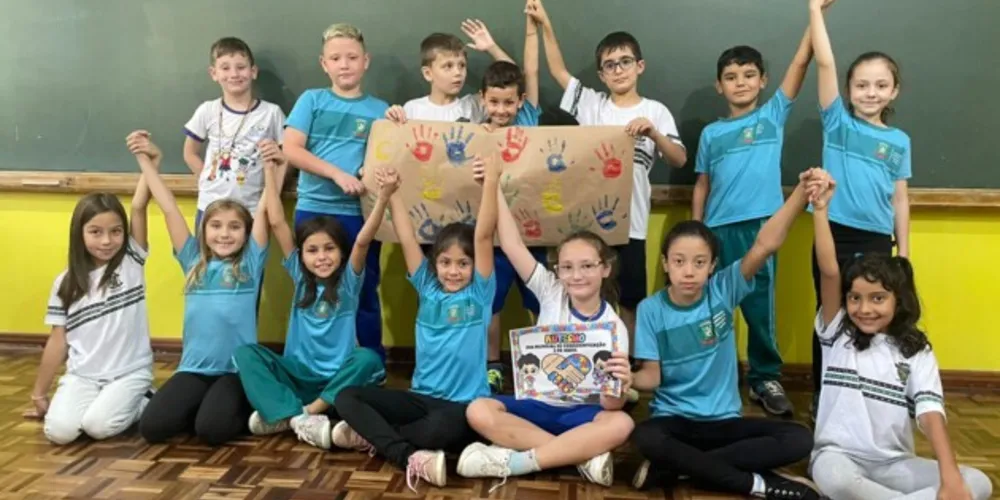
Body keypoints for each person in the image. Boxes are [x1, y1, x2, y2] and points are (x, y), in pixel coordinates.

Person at [629, 169, 831, 499]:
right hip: (674, 424)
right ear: (666, 264)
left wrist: (799, 194)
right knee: (646, 437)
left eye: (699, 262)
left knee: (799, 438)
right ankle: (757, 483)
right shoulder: (651, 309)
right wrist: (627, 380)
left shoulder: (723, 289)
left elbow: (765, 244)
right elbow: (651, 377)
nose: (689, 271)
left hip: (725, 424)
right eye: (679, 261)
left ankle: (678, 469)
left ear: (712, 266)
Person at [455, 154, 634, 488]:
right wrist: (491, 185)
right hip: (537, 405)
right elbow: (509, 243)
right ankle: (578, 457)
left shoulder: (614, 328)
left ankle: (518, 462)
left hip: (581, 414)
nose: (576, 275)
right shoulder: (552, 292)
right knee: (478, 409)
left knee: (622, 423)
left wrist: (620, 387)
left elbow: (611, 403)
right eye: (567, 267)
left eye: (587, 266)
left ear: (604, 268)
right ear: (557, 271)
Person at [809, 176, 992, 500]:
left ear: (898, 299)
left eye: (877, 298)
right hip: (838, 458)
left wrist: (950, 477)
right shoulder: (837, 332)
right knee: (835, 479)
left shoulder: (916, 350)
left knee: (977, 481)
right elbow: (829, 271)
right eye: (855, 298)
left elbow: (930, 413)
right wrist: (820, 210)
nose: (864, 309)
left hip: (895, 465)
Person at [332, 156, 501, 491]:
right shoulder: (427, 286)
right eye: (446, 262)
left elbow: (483, 237)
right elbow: (408, 237)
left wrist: (491, 184)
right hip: (419, 397)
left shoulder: (480, 292)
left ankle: (374, 438)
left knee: (441, 432)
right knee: (346, 397)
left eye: (463, 264)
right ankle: (406, 454)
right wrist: (392, 192)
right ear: (434, 263)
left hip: (460, 406)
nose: (454, 271)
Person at [528, 0, 687, 348]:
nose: (618, 70)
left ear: (639, 66)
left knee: (629, 300)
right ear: (601, 74)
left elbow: (678, 159)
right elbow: (558, 70)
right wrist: (545, 25)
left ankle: (624, 368)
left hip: (633, 224)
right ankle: (585, 358)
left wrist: (654, 134)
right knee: (584, 294)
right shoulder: (592, 104)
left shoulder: (655, 111)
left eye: (625, 62)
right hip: (589, 225)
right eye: (609, 65)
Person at [690, 16, 822, 416]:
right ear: (720, 85)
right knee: (714, 310)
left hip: (761, 230)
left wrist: (814, 15)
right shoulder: (711, 134)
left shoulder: (771, 117)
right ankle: (717, 375)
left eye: (749, 75)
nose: (741, 82)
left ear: (763, 80)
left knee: (760, 308)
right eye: (731, 76)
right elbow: (702, 184)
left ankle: (765, 377)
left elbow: (800, 65)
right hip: (716, 232)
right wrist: (697, 231)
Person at [383, 21, 520, 393]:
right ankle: (434, 367)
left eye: (461, 65)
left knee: (480, 293)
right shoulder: (412, 108)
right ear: (428, 72)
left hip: (470, 221)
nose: (458, 72)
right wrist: (395, 119)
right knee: (434, 292)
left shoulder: (475, 105)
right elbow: (394, 150)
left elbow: (512, 83)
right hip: (428, 225)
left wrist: (491, 47)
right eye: (448, 66)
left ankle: (484, 365)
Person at [231, 158, 390, 449]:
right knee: (245, 354)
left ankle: (299, 414)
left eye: (330, 249)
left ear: (342, 253)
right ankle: (294, 414)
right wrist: (269, 169)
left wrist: (384, 197)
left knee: (368, 359)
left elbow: (364, 239)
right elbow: (277, 221)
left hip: (336, 379)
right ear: (301, 255)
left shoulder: (349, 282)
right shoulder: (300, 276)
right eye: (312, 250)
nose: (322, 257)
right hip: (298, 375)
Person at [130, 131, 276, 445]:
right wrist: (146, 162)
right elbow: (168, 207)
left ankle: (243, 404)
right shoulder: (192, 260)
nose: (225, 234)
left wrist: (273, 168)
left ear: (246, 233)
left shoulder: (250, 263)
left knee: (211, 430)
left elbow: (264, 209)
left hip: (235, 372)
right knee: (152, 428)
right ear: (203, 230)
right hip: (194, 369)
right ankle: (202, 403)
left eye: (235, 227)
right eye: (216, 226)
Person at [808, 0, 912, 415]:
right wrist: (815, 9)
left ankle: (868, 393)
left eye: (880, 85)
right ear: (848, 91)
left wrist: (902, 252)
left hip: (875, 239)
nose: (871, 93)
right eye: (862, 85)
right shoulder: (838, 125)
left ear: (894, 91)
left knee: (873, 318)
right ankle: (825, 396)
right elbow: (825, 66)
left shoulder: (899, 141)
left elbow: (899, 199)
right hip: (831, 233)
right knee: (831, 318)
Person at [283, 23, 390, 362]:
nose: (344, 64)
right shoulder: (311, 100)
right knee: (312, 289)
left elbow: (386, 157)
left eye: (352, 57)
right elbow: (292, 149)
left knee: (363, 289)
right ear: (323, 64)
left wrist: (397, 122)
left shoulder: (380, 110)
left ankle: (369, 364)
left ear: (366, 61)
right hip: (314, 209)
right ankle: (310, 361)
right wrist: (337, 174)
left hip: (359, 213)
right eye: (336, 58)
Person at [31, 175, 155, 444]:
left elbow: (139, 206)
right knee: (59, 433)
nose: (107, 241)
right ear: (79, 233)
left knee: (98, 427)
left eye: (116, 231)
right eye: (95, 231)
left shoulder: (131, 261)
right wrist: (39, 393)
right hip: (83, 376)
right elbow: (58, 340)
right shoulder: (65, 283)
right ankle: (105, 403)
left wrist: (148, 165)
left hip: (129, 372)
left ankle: (146, 400)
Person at [182, 36, 287, 229]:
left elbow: (287, 158)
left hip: (251, 208)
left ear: (253, 71)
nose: (234, 74)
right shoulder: (207, 110)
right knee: (207, 259)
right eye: (225, 68)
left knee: (248, 259)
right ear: (213, 73)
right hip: (210, 206)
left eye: (241, 67)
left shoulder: (271, 113)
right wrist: (207, 178)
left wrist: (272, 188)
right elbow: (189, 152)